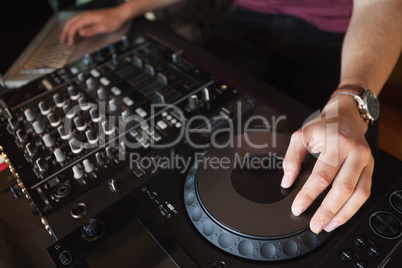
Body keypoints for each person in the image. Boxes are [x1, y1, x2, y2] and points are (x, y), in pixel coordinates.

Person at [60, 0, 402, 234]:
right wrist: (126, 10)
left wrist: (350, 100)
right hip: (246, 23)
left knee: (345, 170)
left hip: (340, 33)